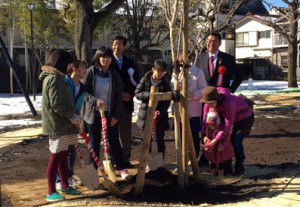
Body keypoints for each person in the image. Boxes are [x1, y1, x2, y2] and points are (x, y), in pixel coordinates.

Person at [194, 32, 243, 166]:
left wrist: (230, 90)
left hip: (222, 100)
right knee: (206, 127)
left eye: (214, 41)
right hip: (206, 100)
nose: (211, 43)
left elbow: (239, 76)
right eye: (208, 40)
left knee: (222, 128)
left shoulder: (227, 59)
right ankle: (205, 156)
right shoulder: (200, 58)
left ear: (220, 43)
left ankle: (225, 159)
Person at [82, 46, 130, 180]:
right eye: (103, 56)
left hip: (110, 115)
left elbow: (119, 96)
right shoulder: (91, 72)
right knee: (94, 143)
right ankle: (93, 171)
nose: (106, 59)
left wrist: (115, 115)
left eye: (108, 57)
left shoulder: (114, 74)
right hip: (94, 114)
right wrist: (95, 101)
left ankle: (122, 168)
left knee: (114, 141)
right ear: (98, 57)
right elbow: (84, 93)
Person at [39, 49, 81, 202]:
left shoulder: (58, 78)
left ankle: (64, 185)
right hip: (58, 126)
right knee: (55, 157)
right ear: (61, 63)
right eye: (69, 63)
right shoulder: (53, 79)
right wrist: (73, 116)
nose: (70, 66)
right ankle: (51, 192)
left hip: (65, 125)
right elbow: (57, 104)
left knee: (64, 156)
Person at [200, 86, 254, 175]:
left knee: (235, 141)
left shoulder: (229, 102)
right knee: (219, 139)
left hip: (245, 118)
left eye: (211, 103)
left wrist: (216, 139)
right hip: (227, 117)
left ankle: (239, 164)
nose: (209, 106)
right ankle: (226, 167)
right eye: (207, 103)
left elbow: (227, 125)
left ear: (217, 100)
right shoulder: (207, 103)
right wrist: (204, 135)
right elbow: (205, 121)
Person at [56, 60, 87, 190]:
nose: (85, 70)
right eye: (83, 68)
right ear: (74, 69)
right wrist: (69, 116)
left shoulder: (83, 87)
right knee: (60, 152)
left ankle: (68, 176)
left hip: (74, 122)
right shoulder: (64, 83)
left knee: (72, 152)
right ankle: (58, 179)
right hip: (62, 122)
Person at [171, 54, 207, 158]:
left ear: (191, 60)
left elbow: (203, 89)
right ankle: (181, 158)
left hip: (194, 109)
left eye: (185, 61)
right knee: (180, 134)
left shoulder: (198, 72)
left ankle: (193, 158)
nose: (183, 64)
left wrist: (191, 94)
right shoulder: (176, 72)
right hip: (179, 108)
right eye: (181, 62)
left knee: (194, 135)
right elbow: (172, 86)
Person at [111, 35, 139, 168]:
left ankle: (126, 158)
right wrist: (119, 94)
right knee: (112, 133)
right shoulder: (107, 61)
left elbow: (137, 82)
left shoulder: (130, 62)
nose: (117, 47)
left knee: (126, 133)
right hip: (112, 104)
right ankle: (113, 159)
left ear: (124, 47)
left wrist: (130, 94)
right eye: (115, 44)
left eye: (119, 44)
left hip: (127, 104)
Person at [201, 109, 234, 176]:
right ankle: (215, 173)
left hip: (223, 150)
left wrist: (222, 146)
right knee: (214, 163)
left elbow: (227, 141)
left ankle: (226, 173)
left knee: (224, 163)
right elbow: (205, 136)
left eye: (212, 125)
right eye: (209, 125)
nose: (211, 127)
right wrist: (206, 140)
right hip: (213, 151)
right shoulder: (208, 130)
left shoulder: (223, 131)